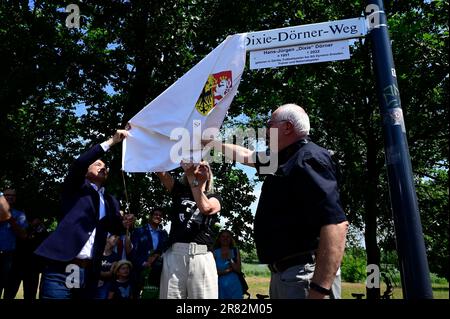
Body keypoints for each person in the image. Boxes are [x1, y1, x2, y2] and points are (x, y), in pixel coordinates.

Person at [205, 103, 348, 299]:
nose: (265, 131)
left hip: (305, 276)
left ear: (287, 127)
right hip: (286, 275)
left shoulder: (308, 159)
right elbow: (246, 155)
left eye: (269, 124)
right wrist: (211, 144)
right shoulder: (283, 159)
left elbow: (336, 224)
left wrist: (320, 289)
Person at [35, 129, 135, 299]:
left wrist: (125, 223)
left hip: (89, 272)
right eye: (97, 164)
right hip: (62, 268)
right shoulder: (75, 188)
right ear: (86, 170)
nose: (103, 167)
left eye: (105, 166)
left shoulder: (111, 201)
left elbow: (113, 227)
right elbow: (79, 163)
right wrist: (111, 142)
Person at [156, 160, 221, 299]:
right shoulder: (178, 190)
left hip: (201, 256)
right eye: (198, 163)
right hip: (175, 255)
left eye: (206, 165)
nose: (202, 164)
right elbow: (159, 168)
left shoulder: (214, 197)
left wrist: (191, 176)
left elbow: (206, 208)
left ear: (210, 176)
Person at [131, 208, 168, 297]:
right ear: (150, 216)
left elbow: (165, 251)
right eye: (155, 214)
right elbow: (133, 252)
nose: (158, 216)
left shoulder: (164, 234)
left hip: (158, 271)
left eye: (160, 215)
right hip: (141, 270)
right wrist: (143, 263)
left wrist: (157, 257)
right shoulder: (139, 231)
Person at [0, 188, 27, 299]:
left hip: (8, 256)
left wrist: (10, 219)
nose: (11, 197)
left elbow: (23, 235)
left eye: (13, 196)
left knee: (9, 288)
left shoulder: (19, 214)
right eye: (7, 195)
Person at [213, 229, 244, 299]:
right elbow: (213, 273)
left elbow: (238, 270)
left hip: (235, 287)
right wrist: (227, 271)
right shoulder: (214, 253)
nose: (225, 239)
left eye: (228, 237)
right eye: (223, 236)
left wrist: (230, 258)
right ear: (219, 239)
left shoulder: (235, 251)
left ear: (231, 239)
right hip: (219, 287)